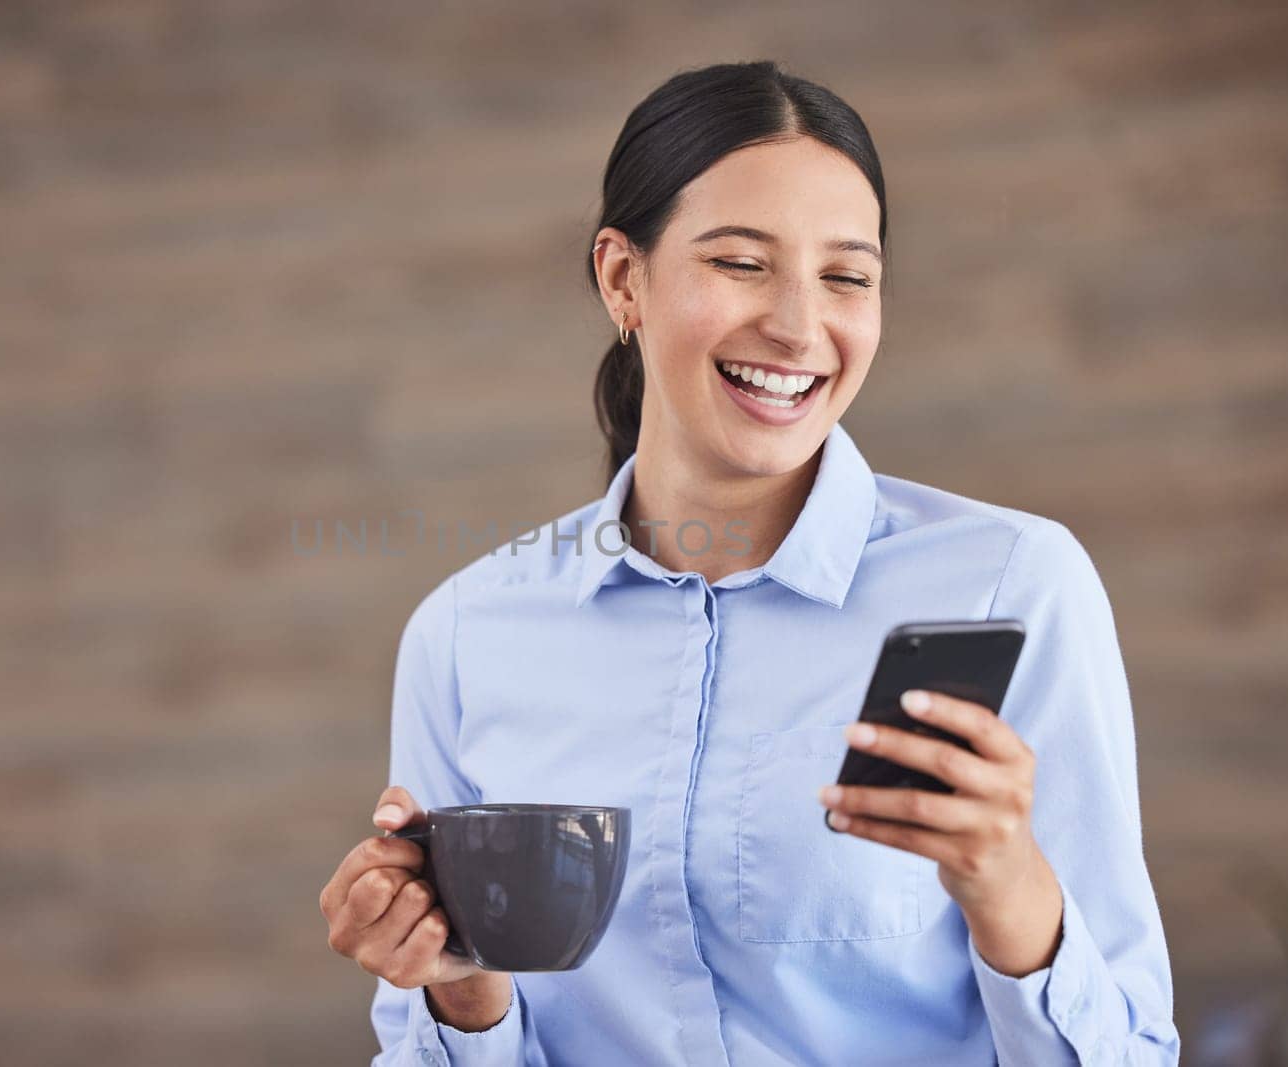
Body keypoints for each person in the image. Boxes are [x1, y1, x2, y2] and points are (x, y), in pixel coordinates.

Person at [318, 59, 1180, 1066]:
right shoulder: (469, 634)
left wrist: (1011, 887)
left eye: (846, 276)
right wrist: (457, 988)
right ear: (619, 276)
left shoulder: (1010, 583)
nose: (798, 324)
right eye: (740, 262)